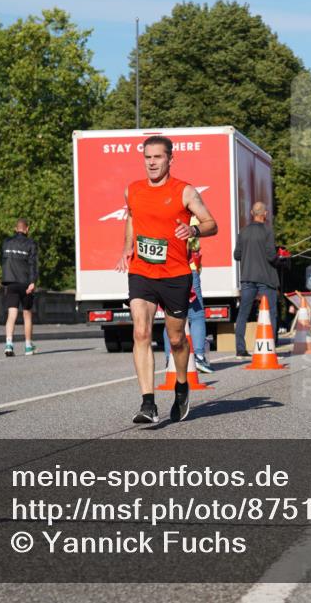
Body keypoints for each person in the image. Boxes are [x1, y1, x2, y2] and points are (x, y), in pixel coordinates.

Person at [115, 135, 218, 424]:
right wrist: (127, 247)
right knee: (141, 332)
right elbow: (132, 219)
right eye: (147, 157)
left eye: (157, 157)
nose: (151, 162)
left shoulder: (185, 191)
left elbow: (212, 223)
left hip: (175, 274)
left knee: (175, 339)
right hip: (142, 271)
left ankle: (182, 386)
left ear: (170, 159)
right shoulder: (132, 190)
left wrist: (194, 231)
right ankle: (148, 403)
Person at [163, 215, 213, 374]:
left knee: (170, 315)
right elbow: (194, 242)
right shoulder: (191, 220)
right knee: (196, 315)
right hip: (188, 268)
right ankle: (198, 356)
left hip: (166, 270)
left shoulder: (165, 218)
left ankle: (170, 358)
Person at [233, 202, 280, 358]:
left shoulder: (243, 232)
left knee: (243, 314)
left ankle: (240, 349)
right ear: (264, 214)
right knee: (270, 313)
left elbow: (237, 255)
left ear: (252, 213)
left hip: (247, 278)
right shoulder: (267, 232)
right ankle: (269, 347)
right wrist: (280, 257)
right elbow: (271, 256)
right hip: (265, 278)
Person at [0, 219, 39, 356]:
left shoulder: (6, 242)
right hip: (25, 283)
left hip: (10, 282)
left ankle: (9, 344)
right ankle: (28, 346)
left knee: (12, 314)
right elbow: (33, 264)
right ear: (27, 229)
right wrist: (33, 281)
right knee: (27, 314)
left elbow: (2, 260)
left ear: (15, 228)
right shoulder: (31, 243)